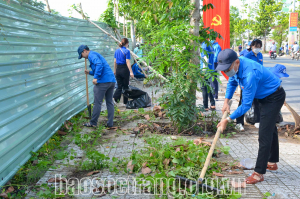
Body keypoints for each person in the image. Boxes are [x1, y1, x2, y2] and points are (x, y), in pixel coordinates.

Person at [216, 49, 285, 184]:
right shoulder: (236, 67)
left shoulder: (249, 74)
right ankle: (272, 162)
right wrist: (226, 101)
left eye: (227, 68)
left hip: (274, 97)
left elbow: (246, 105)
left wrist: (227, 119)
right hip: (264, 95)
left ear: (236, 62)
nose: (226, 71)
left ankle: (259, 173)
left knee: (264, 133)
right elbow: (232, 82)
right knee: (270, 128)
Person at [77, 45, 116, 128]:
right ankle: (110, 123)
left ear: (84, 51)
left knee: (97, 103)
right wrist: (90, 72)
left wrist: (96, 77)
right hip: (111, 80)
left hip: (103, 81)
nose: (83, 58)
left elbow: (99, 65)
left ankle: (93, 122)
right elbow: (100, 67)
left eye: (82, 55)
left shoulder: (91, 55)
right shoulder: (95, 54)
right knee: (109, 102)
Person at [234, 39, 263, 131]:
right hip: (247, 82)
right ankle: (239, 122)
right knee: (243, 102)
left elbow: (261, 68)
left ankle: (257, 121)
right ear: (252, 46)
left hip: (257, 82)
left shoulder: (260, 55)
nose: (257, 49)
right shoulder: (247, 56)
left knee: (257, 101)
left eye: (259, 47)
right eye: (256, 47)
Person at [113, 38, 134, 105]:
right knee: (125, 86)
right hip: (124, 69)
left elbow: (115, 61)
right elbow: (127, 62)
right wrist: (131, 72)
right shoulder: (127, 51)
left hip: (118, 69)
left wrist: (114, 70)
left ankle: (115, 99)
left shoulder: (116, 51)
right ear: (127, 43)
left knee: (119, 86)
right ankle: (125, 102)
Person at [200, 41, 216, 111]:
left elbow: (205, 58)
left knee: (204, 88)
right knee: (208, 87)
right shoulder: (209, 44)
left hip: (205, 70)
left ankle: (205, 106)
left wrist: (203, 71)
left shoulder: (204, 45)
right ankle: (212, 104)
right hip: (210, 69)